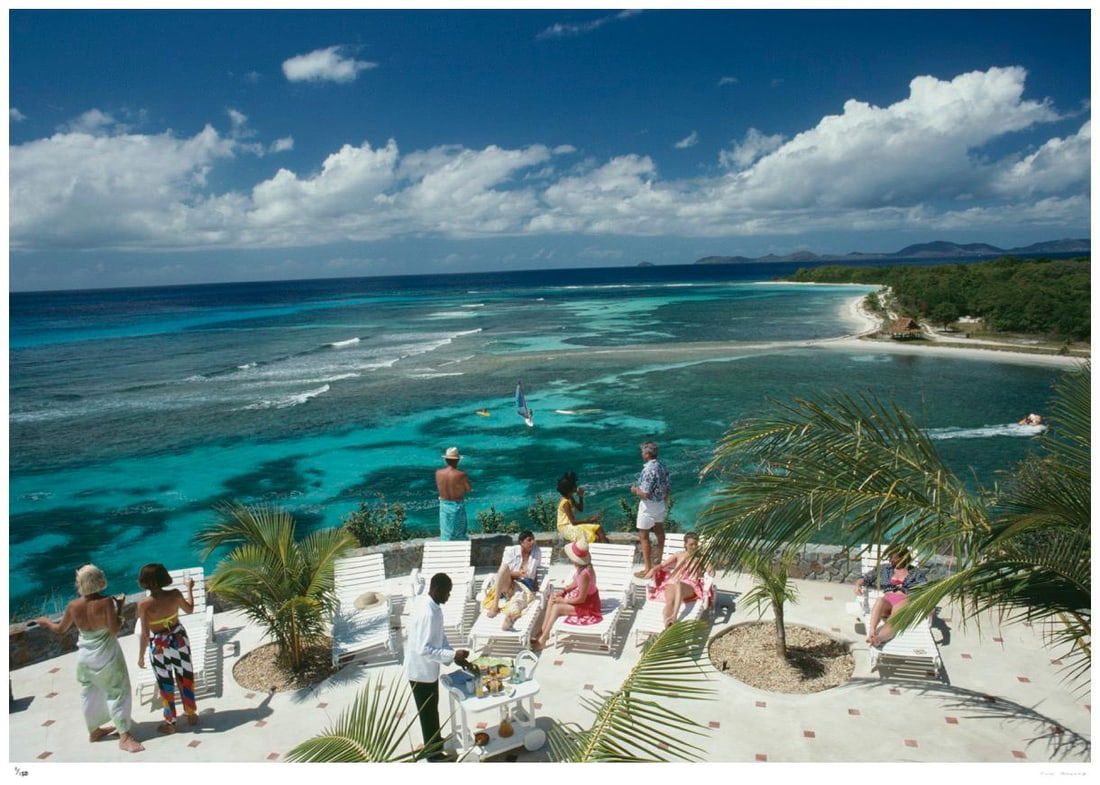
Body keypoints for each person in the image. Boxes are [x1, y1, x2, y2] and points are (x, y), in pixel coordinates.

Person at [36, 564, 144, 753]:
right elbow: (114, 629)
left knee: (89, 692)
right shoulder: (106, 602)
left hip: (85, 657)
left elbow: (60, 629)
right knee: (118, 691)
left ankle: (93, 730)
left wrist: (46, 622)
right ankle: (124, 737)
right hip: (107, 656)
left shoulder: (73, 606)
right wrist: (119, 608)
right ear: (100, 581)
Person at [405, 573, 472, 761]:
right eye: (447, 593)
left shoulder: (434, 607)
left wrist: (455, 656)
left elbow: (440, 637)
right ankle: (433, 756)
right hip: (420, 672)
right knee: (428, 714)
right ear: (437, 590)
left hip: (428, 671)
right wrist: (452, 655)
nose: (449, 596)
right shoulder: (427, 613)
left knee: (432, 709)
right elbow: (424, 649)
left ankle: (434, 741)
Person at [136, 563, 199, 733]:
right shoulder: (175, 594)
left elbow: (144, 633)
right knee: (185, 676)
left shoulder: (144, 604)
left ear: (144, 582)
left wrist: (141, 656)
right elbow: (190, 609)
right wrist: (189, 589)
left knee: (165, 682)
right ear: (165, 578)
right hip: (179, 639)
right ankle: (191, 713)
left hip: (159, 645)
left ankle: (171, 722)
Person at [532, 539, 602, 651]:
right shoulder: (582, 567)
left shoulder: (585, 573)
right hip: (583, 599)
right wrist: (564, 591)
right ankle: (543, 630)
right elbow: (576, 582)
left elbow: (581, 599)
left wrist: (563, 601)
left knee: (556, 607)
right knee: (552, 598)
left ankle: (543, 639)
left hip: (588, 605)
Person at [854, 546, 927, 646]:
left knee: (893, 620)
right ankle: (871, 631)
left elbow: (925, 589)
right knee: (880, 600)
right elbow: (865, 578)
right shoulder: (885, 568)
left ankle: (878, 638)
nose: (890, 559)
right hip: (887, 601)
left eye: (893, 557)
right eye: (890, 557)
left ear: (903, 558)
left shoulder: (915, 573)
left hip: (903, 601)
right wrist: (858, 585)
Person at [644, 533, 715, 628]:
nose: (694, 547)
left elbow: (711, 571)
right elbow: (662, 565)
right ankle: (667, 624)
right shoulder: (679, 555)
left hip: (690, 585)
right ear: (685, 544)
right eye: (691, 544)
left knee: (679, 584)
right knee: (669, 602)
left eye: (696, 544)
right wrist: (653, 570)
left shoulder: (700, 557)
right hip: (673, 582)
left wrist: (710, 568)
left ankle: (674, 616)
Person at [483, 531, 541, 631]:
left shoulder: (536, 551)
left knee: (518, 600)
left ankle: (510, 618)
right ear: (521, 542)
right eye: (529, 540)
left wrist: (536, 588)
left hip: (524, 585)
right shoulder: (511, 551)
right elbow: (504, 573)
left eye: (533, 539)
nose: (533, 542)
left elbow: (535, 571)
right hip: (508, 582)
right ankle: (495, 605)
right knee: (503, 567)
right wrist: (518, 573)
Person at [630, 441, 671, 578]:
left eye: (642, 452)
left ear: (647, 454)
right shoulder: (662, 465)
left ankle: (647, 569)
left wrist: (635, 490)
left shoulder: (648, 469)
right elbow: (668, 486)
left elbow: (645, 493)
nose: (641, 454)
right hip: (660, 503)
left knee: (644, 536)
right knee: (659, 531)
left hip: (648, 506)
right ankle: (659, 562)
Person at [556, 471, 608, 543]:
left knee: (598, 528)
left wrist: (580, 496)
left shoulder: (570, 497)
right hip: (566, 528)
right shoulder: (565, 503)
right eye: (575, 485)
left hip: (571, 526)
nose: (576, 486)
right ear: (570, 489)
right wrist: (589, 520)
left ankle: (606, 550)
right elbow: (573, 522)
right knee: (593, 537)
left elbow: (580, 509)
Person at [436, 446, 472, 541]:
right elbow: (468, 489)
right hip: (457, 505)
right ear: (457, 460)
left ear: (446, 460)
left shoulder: (438, 473)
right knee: (459, 533)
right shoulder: (461, 475)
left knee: (445, 533)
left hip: (443, 505)